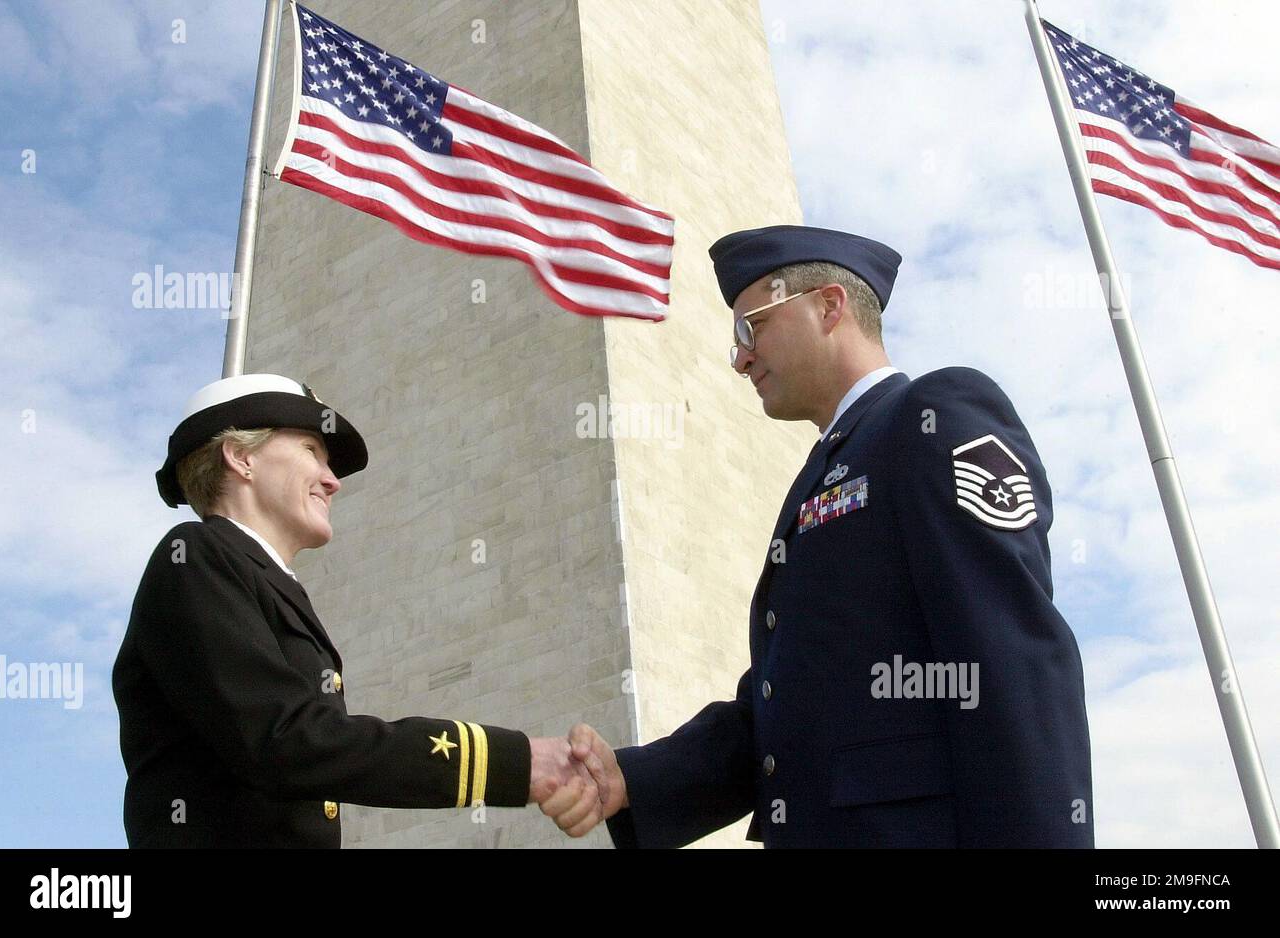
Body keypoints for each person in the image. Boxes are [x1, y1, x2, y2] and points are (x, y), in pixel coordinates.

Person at [569, 224, 1095, 847]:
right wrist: (631, 778)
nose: (740, 358)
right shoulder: (822, 474)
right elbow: (778, 712)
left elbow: (1014, 665)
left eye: (750, 326)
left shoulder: (934, 416)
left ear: (828, 306)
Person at [113, 373, 601, 846]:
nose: (332, 482)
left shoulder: (258, 578)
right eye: (311, 452)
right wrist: (514, 763)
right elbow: (286, 740)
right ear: (241, 458)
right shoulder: (196, 555)